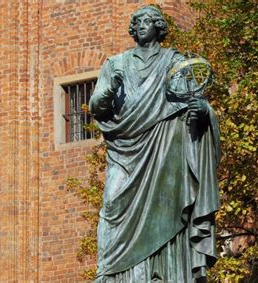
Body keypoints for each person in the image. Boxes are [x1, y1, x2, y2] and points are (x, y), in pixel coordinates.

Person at [89, 5, 221, 282]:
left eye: (147, 21)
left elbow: (193, 101)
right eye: (136, 22)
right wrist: (111, 89)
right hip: (126, 150)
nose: (140, 26)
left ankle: (165, 271)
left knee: (169, 211)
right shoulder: (116, 64)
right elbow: (97, 107)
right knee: (112, 204)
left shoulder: (175, 62)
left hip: (167, 147)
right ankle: (109, 273)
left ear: (158, 27)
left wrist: (202, 111)